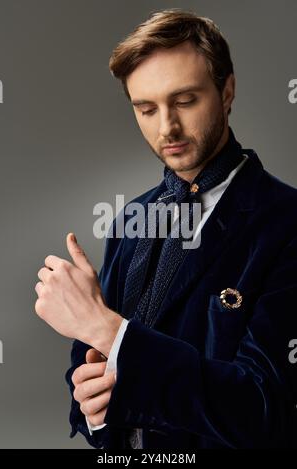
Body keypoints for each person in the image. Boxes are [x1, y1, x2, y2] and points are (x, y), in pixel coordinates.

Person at [35, 9, 297, 449]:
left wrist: (104, 327)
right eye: (146, 108)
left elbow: (263, 409)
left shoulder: (287, 222)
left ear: (227, 91)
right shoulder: (128, 222)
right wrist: (91, 409)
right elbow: (94, 376)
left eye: (185, 100)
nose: (166, 127)